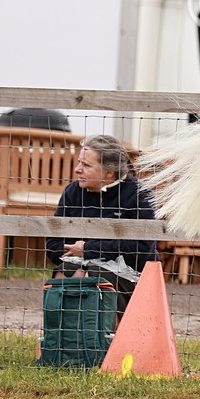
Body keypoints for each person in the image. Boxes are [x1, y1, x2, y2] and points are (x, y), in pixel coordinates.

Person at [46, 135, 160, 319]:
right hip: (77, 266)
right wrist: (81, 258)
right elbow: (52, 244)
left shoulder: (139, 194)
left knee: (94, 277)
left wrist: (88, 249)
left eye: (86, 165)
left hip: (132, 275)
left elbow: (141, 248)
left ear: (109, 171)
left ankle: (107, 340)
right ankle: (64, 339)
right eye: (79, 163)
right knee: (66, 273)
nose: (77, 170)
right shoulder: (73, 192)